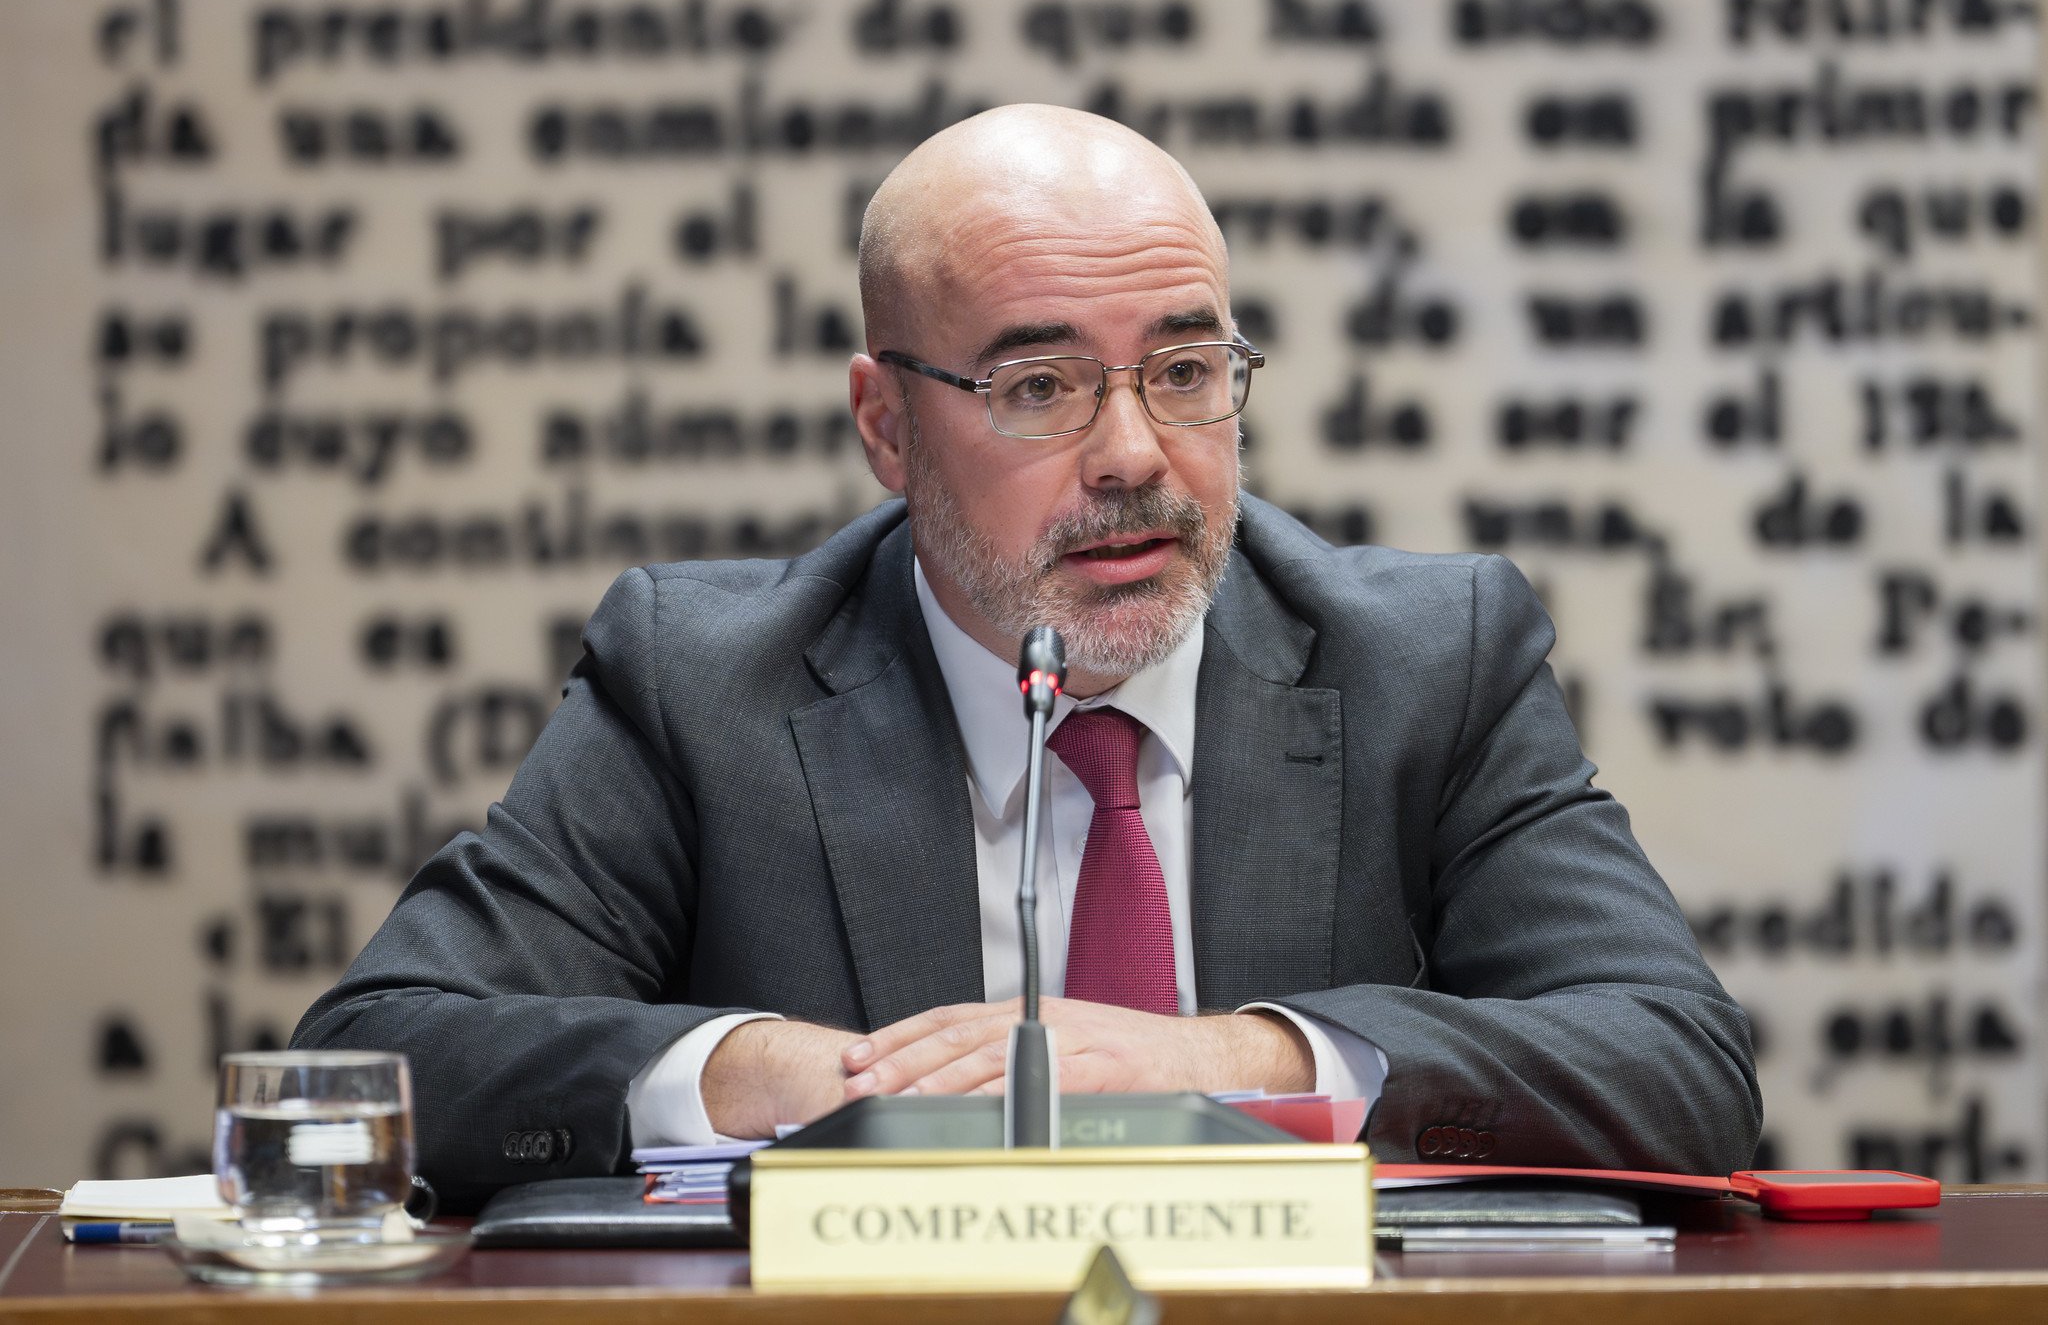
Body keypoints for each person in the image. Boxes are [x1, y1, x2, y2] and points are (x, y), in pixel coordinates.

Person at [296, 104, 1760, 1208]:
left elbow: (1676, 1065)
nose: (1135, 455)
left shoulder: (1427, 658)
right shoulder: (704, 681)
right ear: (886, 426)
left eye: (1186, 372)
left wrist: (1220, 1063)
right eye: (1040, 385)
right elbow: (383, 1056)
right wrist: (765, 1079)